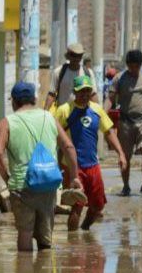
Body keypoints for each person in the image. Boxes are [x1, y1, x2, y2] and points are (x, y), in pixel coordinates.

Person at [0, 82, 81, 252]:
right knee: (46, 238)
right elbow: (69, 147)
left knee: (25, 234)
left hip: (21, 186)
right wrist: (75, 176)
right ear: (34, 99)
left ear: (14, 102)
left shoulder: (7, 122)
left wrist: (7, 178)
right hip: (49, 184)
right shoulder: (49, 117)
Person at [54, 75, 127, 231]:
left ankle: (85, 230)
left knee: (98, 206)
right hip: (73, 166)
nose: (85, 94)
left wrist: (120, 153)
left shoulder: (97, 110)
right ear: (74, 91)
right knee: (78, 205)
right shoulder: (64, 111)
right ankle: (72, 243)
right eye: (81, 91)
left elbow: (109, 132)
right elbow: (51, 134)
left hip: (93, 166)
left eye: (88, 91)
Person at [108, 49, 142, 197]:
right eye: (130, 66)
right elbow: (111, 98)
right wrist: (102, 113)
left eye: (136, 66)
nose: (133, 69)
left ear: (141, 65)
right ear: (127, 65)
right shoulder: (119, 79)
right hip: (125, 122)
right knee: (125, 156)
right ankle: (126, 186)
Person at [44, 43, 97, 110]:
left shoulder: (88, 73)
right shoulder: (59, 72)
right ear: (68, 56)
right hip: (63, 114)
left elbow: (93, 94)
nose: (76, 58)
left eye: (79, 55)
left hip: (82, 114)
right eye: (73, 55)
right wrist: (45, 112)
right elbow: (52, 94)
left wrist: (98, 113)